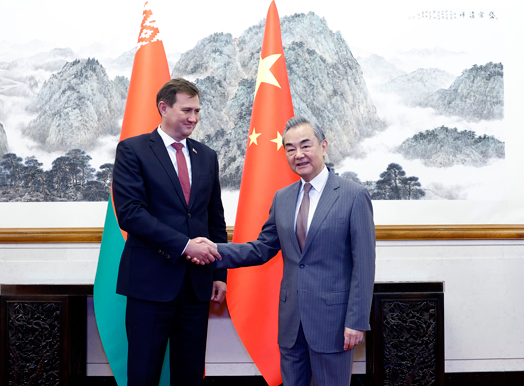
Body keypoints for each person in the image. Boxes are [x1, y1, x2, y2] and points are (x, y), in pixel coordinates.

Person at [190, 116, 376, 386]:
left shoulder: (353, 195)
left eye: (305, 145)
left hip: (333, 323)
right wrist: (215, 249)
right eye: (290, 148)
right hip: (291, 323)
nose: (298, 154)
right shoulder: (283, 197)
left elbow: (364, 265)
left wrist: (357, 321)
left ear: (323, 146)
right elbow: (262, 248)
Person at [112, 78, 226, 386]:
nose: (194, 118)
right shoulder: (133, 150)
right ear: (164, 107)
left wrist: (219, 274)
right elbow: (131, 214)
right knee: (144, 373)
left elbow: (214, 218)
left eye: (198, 111)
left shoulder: (207, 156)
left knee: (189, 375)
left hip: (197, 285)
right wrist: (185, 245)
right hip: (150, 283)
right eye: (186, 110)